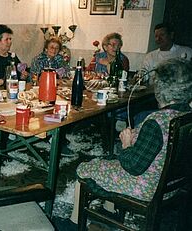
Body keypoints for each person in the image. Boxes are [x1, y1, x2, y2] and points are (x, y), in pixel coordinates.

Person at [70, 58, 192, 223]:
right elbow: (161, 147)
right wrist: (140, 136)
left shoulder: (157, 120)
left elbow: (132, 166)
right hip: (171, 187)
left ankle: (73, 222)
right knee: (108, 160)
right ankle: (109, 213)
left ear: (160, 89)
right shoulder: (185, 114)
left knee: (85, 168)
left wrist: (126, 144)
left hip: (147, 188)